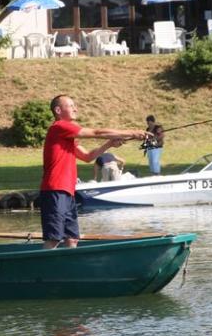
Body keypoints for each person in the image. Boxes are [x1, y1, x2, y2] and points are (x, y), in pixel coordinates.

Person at [40, 94, 149, 249]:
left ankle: (71, 269)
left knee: (72, 239)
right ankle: (45, 271)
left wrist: (109, 144)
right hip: (55, 190)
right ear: (58, 110)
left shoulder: (67, 136)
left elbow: (87, 157)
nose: (75, 109)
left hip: (67, 191)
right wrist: (131, 133)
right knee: (54, 238)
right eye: (71, 106)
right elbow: (96, 133)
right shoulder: (59, 127)